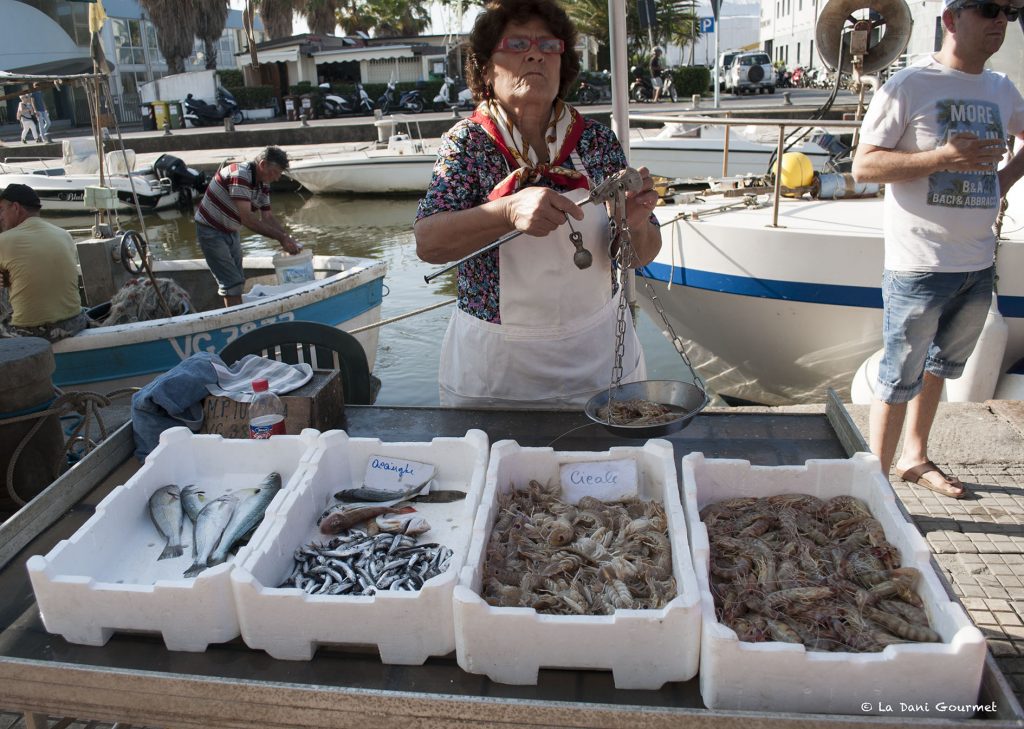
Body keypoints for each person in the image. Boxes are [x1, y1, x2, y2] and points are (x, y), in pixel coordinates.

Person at [415, 0, 662, 409]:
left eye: (549, 46)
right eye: (516, 44)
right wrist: (507, 211)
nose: (535, 54)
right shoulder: (468, 144)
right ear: (486, 69)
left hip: (598, 360)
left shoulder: (596, 142)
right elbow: (428, 244)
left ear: (562, 66)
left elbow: (640, 255)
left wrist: (634, 224)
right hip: (496, 376)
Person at [852, 0, 1024, 498]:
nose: (1000, 22)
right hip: (920, 264)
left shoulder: (1001, 89)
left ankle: (914, 457)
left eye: (1009, 13)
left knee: (940, 368)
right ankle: (874, 490)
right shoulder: (909, 85)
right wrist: (944, 157)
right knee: (897, 376)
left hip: (977, 263)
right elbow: (864, 166)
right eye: (989, 8)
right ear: (951, 19)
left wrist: (1002, 184)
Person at [194, 146, 301, 308]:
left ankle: (237, 314)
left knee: (237, 281)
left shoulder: (262, 183)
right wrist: (281, 238)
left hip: (231, 230)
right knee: (231, 283)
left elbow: (267, 217)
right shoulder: (240, 174)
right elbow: (248, 219)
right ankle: (236, 319)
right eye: (276, 172)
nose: (277, 178)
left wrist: (286, 237)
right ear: (263, 164)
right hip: (211, 230)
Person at [0, 184, 89, 342]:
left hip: (32, 332)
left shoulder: (4, 241)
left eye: (1, 210)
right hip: (75, 323)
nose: (0, 217)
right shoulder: (64, 235)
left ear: (15, 208)